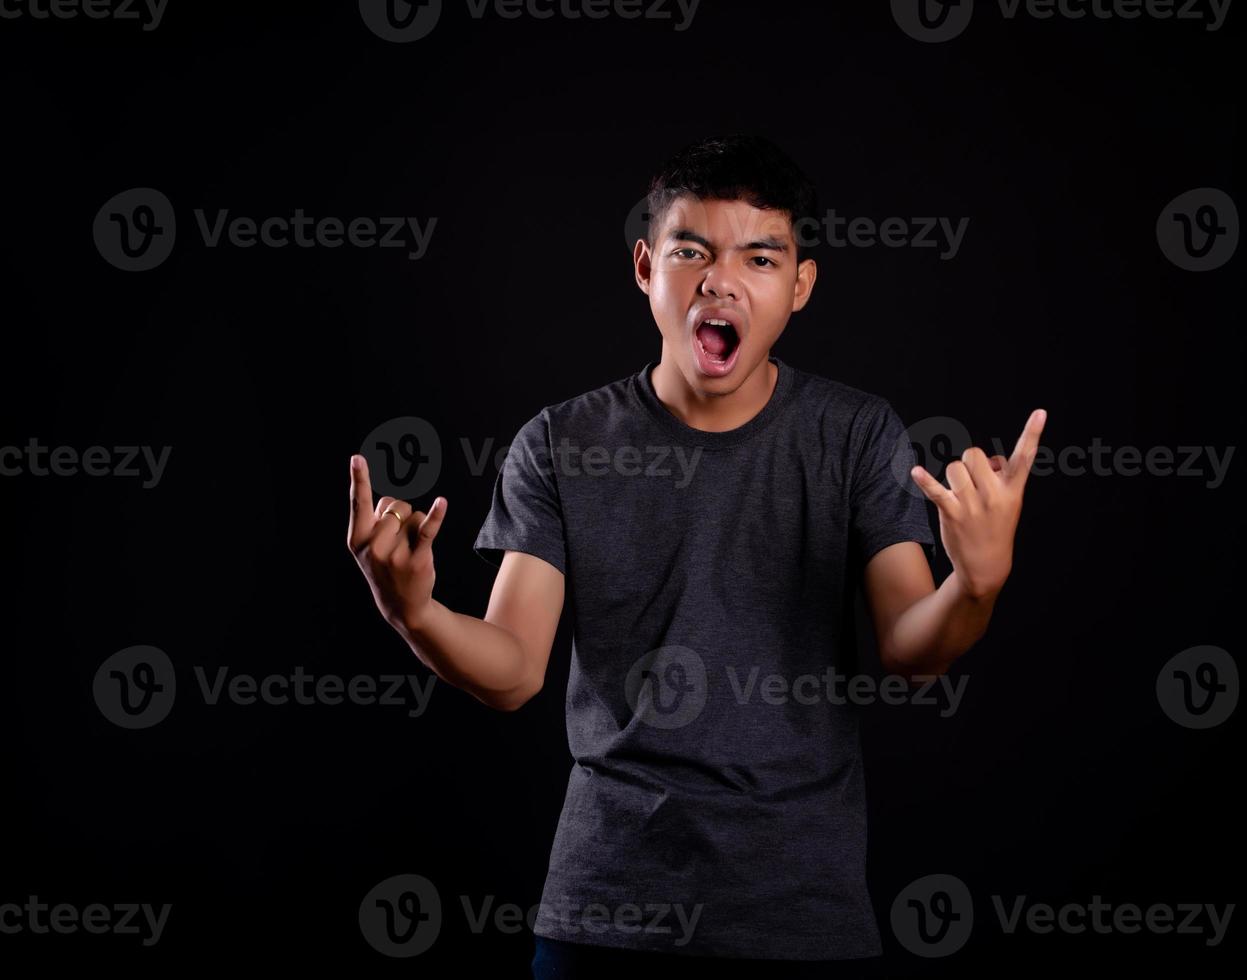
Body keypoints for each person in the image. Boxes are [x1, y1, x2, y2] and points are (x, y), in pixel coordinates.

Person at [346, 133, 1046, 977]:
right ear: (646, 268)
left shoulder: (855, 434)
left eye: (759, 257)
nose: (719, 280)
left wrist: (978, 581)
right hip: (603, 918)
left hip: (801, 918)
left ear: (799, 286)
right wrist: (413, 611)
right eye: (691, 251)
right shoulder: (559, 442)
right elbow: (513, 669)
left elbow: (911, 651)